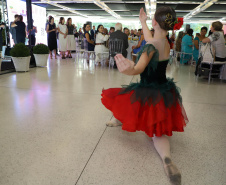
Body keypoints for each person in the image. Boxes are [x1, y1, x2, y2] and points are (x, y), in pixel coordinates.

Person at [101, 7, 187, 185]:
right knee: (158, 133)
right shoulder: (165, 42)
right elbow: (150, 38)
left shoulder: (150, 47)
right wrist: (142, 21)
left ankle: (120, 119)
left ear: (155, 22)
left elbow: (138, 69)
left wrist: (127, 68)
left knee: (123, 98)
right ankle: (167, 159)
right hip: (163, 90)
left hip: (147, 89)